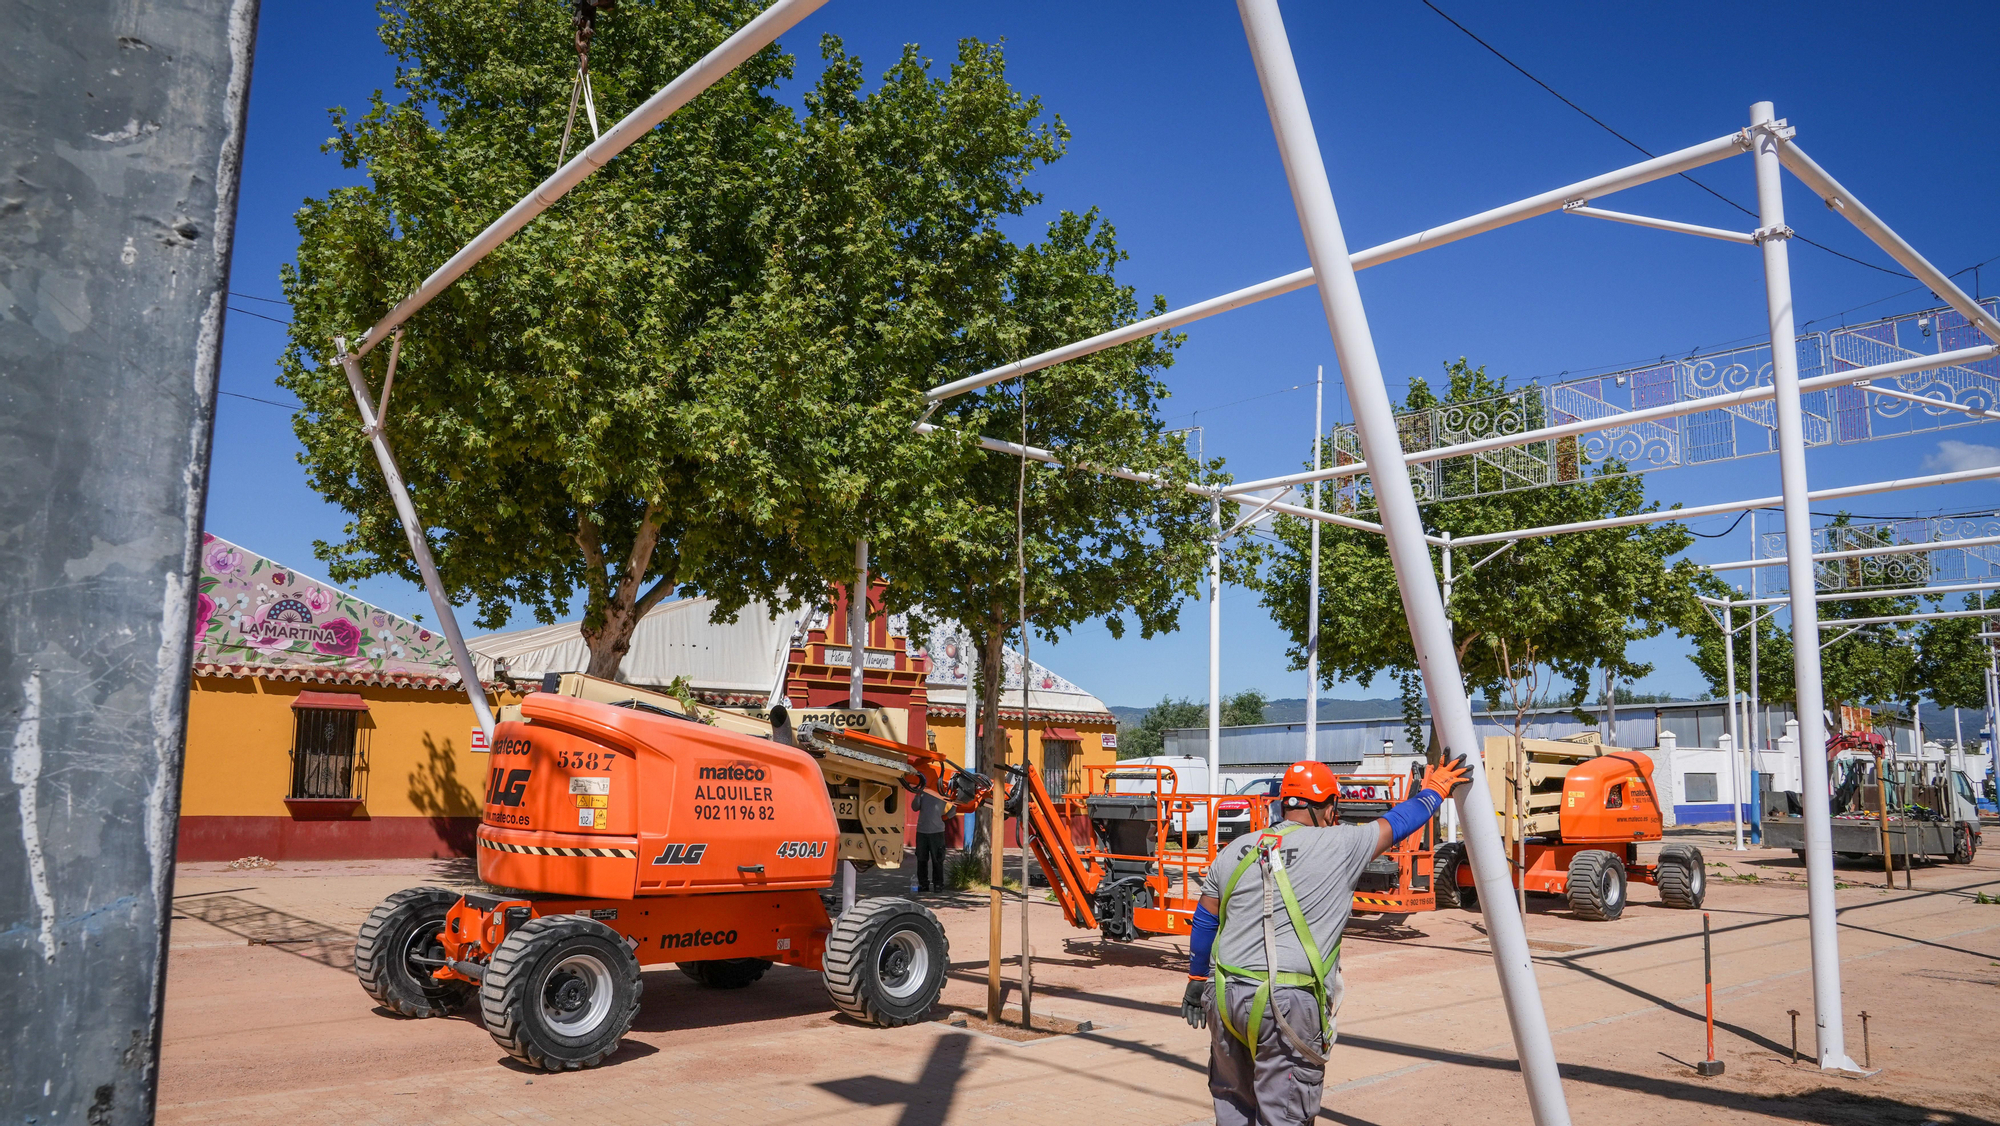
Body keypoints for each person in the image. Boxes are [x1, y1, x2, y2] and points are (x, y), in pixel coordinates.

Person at [1181, 755, 1472, 1126]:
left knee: (1233, 1103)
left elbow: (1205, 919)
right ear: (1329, 807)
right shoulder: (1342, 844)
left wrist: (1195, 980)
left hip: (1225, 996)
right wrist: (1435, 791)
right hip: (1285, 1004)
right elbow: (1399, 822)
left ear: (1283, 802)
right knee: (1285, 1112)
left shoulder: (1236, 849)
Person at [914, 789, 948, 893]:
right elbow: (914, 807)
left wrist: (947, 816)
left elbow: (956, 806)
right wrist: (918, 794)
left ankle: (938, 884)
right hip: (922, 830)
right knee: (921, 859)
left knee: (937, 859)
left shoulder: (943, 792)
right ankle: (923, 884)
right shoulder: (923, 792)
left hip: (937, 831)